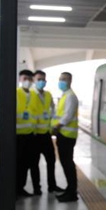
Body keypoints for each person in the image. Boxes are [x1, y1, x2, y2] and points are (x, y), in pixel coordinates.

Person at [30, 70, 63, 194]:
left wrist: (53, 127)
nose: (42, 82)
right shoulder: (31, 94)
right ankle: (36, 188)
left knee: (51, 160)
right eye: (39, 79)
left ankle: (52, 186)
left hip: (46, 134)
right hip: (34, 135)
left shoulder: (48, 95)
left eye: (43, 79)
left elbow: (53, 111)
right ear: (34, 80)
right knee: (34, 163)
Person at [52, 72, 79, 202]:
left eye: (64, 79)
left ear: (70, 81)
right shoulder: (65, 96)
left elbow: (67, 116)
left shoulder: (70, 97)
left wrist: (56, 127)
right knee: (65, 163)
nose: (61, 81)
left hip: (67, 135)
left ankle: (72, 192)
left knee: (68, 163)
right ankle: (70, 190)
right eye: (60, 78)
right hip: (64, 135)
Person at [16, 69, 39, 198]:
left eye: (30, 79)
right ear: (20, 79)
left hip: (30, 135)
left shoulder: (33, 95)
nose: (27, 81)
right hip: (18, 135)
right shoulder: (15, 93)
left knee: (25, 164)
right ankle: (15, 189)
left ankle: (21, 188)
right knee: (17, 164)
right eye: (25, 78)